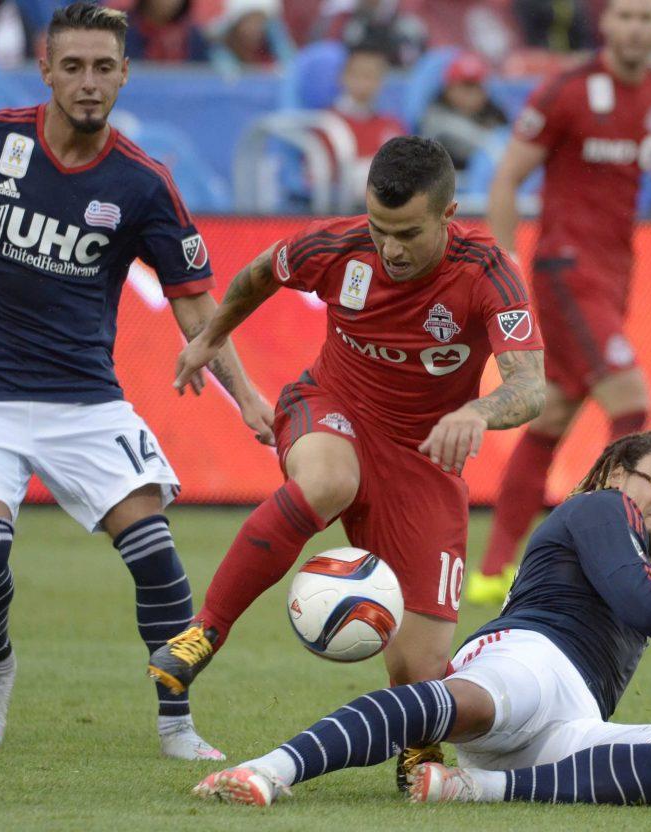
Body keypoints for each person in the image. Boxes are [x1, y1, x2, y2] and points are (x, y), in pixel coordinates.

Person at [0, 2, 274, 760]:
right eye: (74, 66)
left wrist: (254, 402)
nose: (89, 83)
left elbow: (197, 302)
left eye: (104, 67)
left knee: (158, 556)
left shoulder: (142, 184)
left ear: (126, 73)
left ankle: (176, 725)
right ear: (46, 70)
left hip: (84, 401)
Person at [147, 135, 547, 790]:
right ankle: (203, 634)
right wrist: (212, 336)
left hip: (423, 456)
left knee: (424, 668)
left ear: (448, 216)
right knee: (330, 480)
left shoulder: (488, 271)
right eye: (380, 228)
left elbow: (530, 385)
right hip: (330, 407)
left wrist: (475, 414)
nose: (390, 248)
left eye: (408, 233)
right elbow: (256, 277)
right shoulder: (334, 246)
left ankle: (417, 752)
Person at [190, 426, 651, 807]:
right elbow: (645, 605)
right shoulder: (600, 508)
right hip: (526, 661)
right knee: (439, 703)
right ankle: (268, 771)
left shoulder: (638, 551)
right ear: (616, 471)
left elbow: (647, 599)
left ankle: (473, 786)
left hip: (569, 723)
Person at [470, 0, 651, 605]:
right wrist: (504, 271)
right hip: (564, 270)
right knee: (631, 403)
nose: (636, 28)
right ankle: (637, 557)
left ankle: (494, 568)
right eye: (625, 16)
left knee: (553, 415)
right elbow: (506, 180)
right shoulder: (566, 92)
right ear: (605, 25)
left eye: (647, 18)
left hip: (614, 273)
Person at [321, 40, 407, 208]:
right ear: (343, 77)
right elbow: (321, 176)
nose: (363, 82)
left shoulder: (392, 125)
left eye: (371, 76)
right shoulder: (327, 124)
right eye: (357, 75)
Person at [419, 52, 509, 171]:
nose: (472, 93)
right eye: (466, 86)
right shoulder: (435, 116)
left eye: (478, 86)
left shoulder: (494, 114)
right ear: (449, 88)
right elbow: (481, 143)